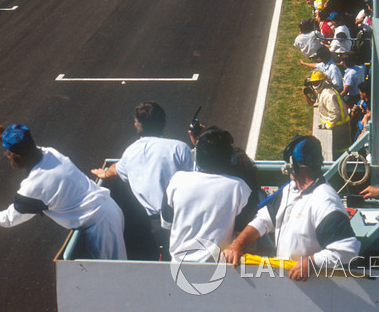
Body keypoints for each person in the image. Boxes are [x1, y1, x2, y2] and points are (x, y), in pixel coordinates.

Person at [0, 123, 126, 260]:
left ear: (15, 157)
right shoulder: (51, 152)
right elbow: (27, 147)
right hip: (110, 209)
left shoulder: (32, 187)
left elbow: (8, 219)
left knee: (114, 281)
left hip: (102, 228)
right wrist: (5, 137)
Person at [222, 136, 360, 281]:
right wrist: (238, 244)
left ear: (293, 166)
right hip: (287, 281)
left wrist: (311, 262)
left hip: (313, 286)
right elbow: (264, 220)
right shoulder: (290, 189)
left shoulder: (325, 202)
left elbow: (347, 249)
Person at [90, 101, 194, 259]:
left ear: (136, 126)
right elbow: (199, 177)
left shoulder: (130, 153)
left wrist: (105, 174)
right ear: (164, 124)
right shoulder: (180, 148)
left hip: (152, 227)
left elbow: (115, 170)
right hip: (185, 220)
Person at [160, 128, 252, 262]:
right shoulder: (240, 188)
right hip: (220, 269)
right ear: (231, 158)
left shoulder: (176, 180)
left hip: (178, 266)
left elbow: (167, 223)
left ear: (196, 156)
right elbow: (242, 233)